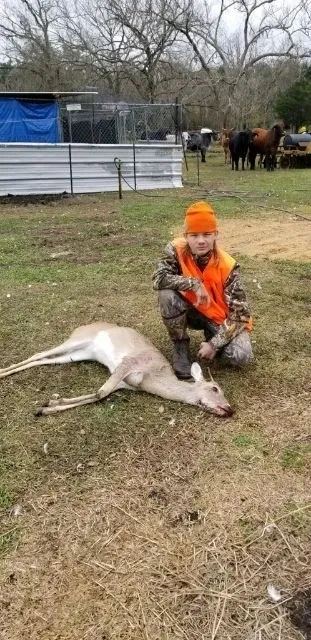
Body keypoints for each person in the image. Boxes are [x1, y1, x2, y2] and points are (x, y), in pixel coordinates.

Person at [152, 201, 253, 379]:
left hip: (219, 319)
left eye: (207, 234)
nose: (201, 241)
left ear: (215, 235)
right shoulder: (175, 249)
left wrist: (215, 344)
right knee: (166, 294)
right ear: (186, 236)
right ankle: (180, 348)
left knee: (241, 355)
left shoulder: (228, 266)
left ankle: (212, 340)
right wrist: (193, 284)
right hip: (189, 310)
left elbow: (240, 316)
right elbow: (158, 279)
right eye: (194, 235)